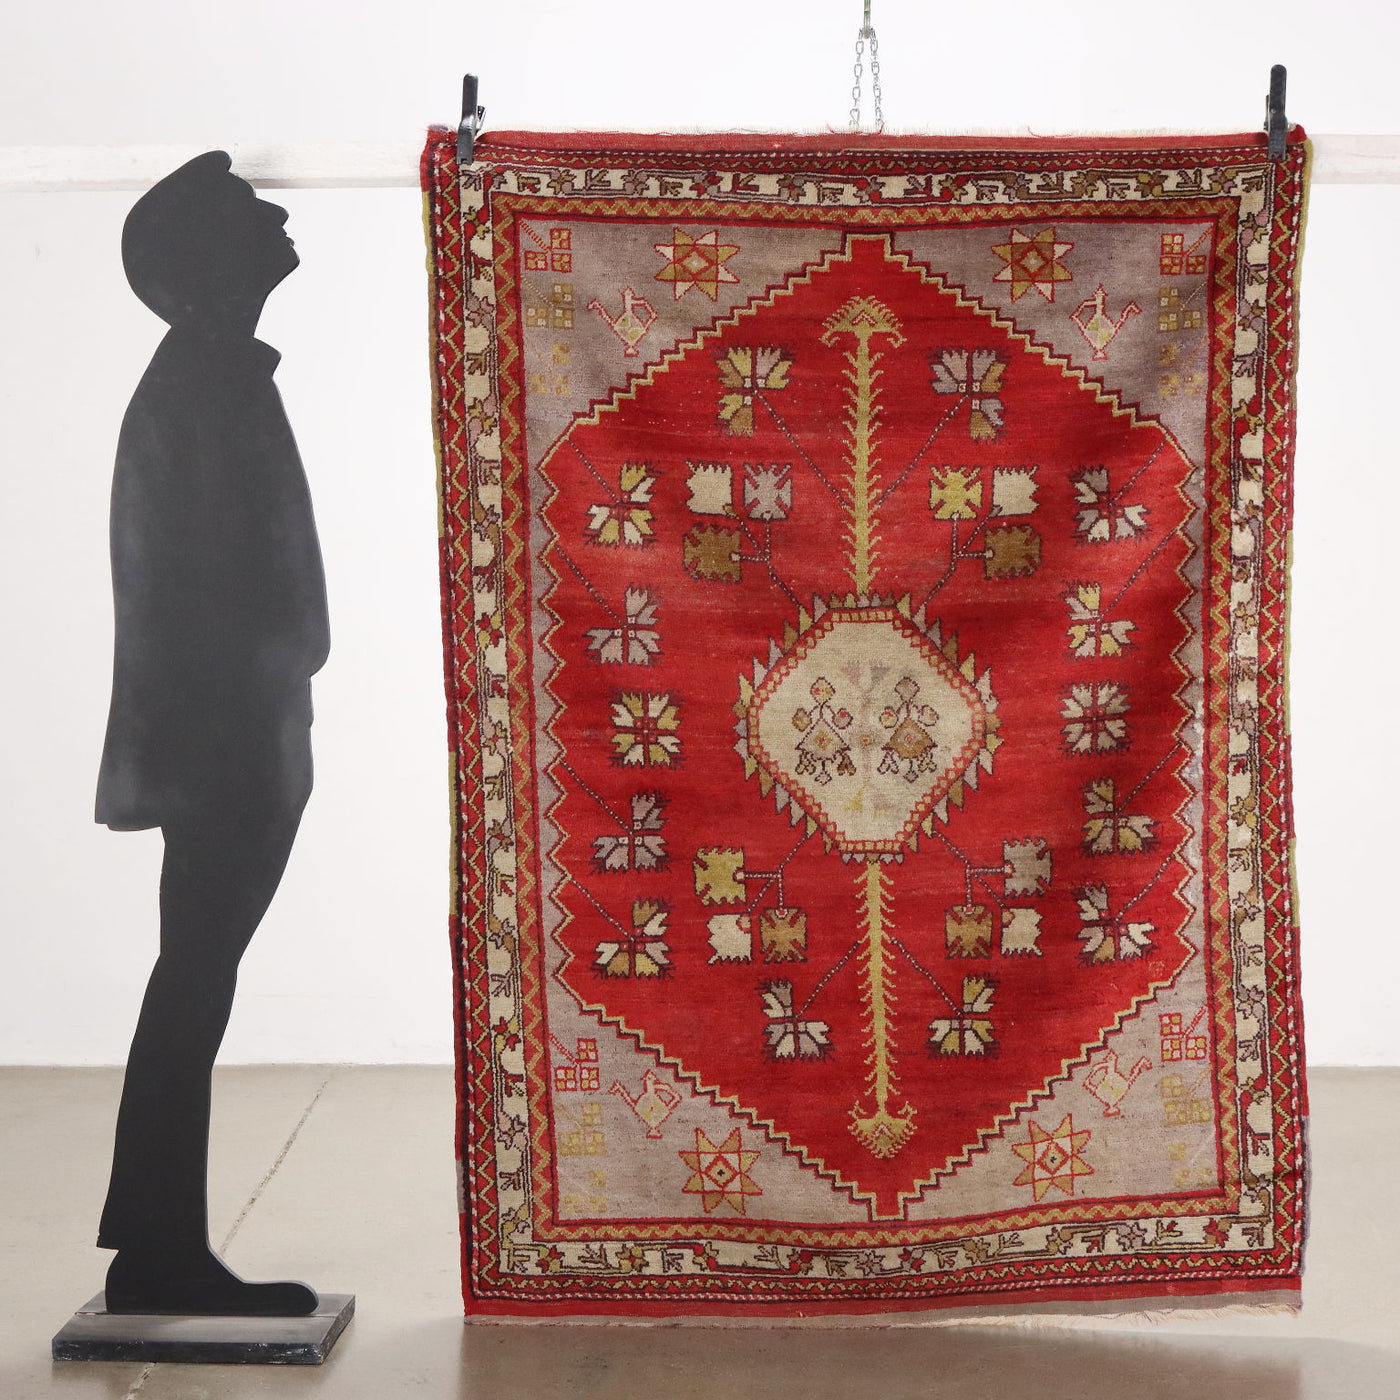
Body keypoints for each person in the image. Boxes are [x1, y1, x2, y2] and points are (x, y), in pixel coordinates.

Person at [94, 151, 329, 1315]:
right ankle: (156, 1249)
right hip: (224, 743)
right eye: (245, 212)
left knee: (194, 977)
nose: (274, 214)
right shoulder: (201, 385)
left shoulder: (210, 377)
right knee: (193, 978)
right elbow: (184, 586)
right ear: (206, 260)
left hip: (235, 733)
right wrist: (269, 688)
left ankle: (155, 1241)